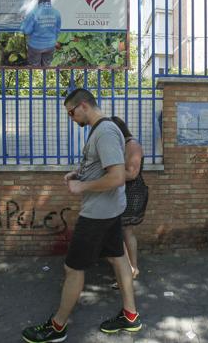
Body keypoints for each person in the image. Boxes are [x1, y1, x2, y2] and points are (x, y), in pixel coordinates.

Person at [21, 89, 141, 343]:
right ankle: (130, 316)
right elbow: (102, 165)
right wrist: (79, 173)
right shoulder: (101, 130)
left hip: (97, 215)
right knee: (119, 259)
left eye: (71, 112)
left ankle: (57, 327)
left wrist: (82, 187)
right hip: (109, 211)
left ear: (83, 105)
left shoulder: (105, 131)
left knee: (72, 268)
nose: (71, 118)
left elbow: (118, 176)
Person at [109, 116, 148, 289]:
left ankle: (129, 271)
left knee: (123, 231)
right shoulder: (124, 145)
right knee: (124, 232)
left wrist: (106, 174)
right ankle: (131, 269)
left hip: (132, 193)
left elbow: (132, 173)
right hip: (124, 191)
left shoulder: (133, 146)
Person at [20, 0, 61, 67]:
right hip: (50, 45)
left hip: (35, 46)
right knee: (47, 66)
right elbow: (57, 31)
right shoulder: (56, 13)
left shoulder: (33, 13)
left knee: (35, 67)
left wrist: (24, 21)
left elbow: (26, 31)